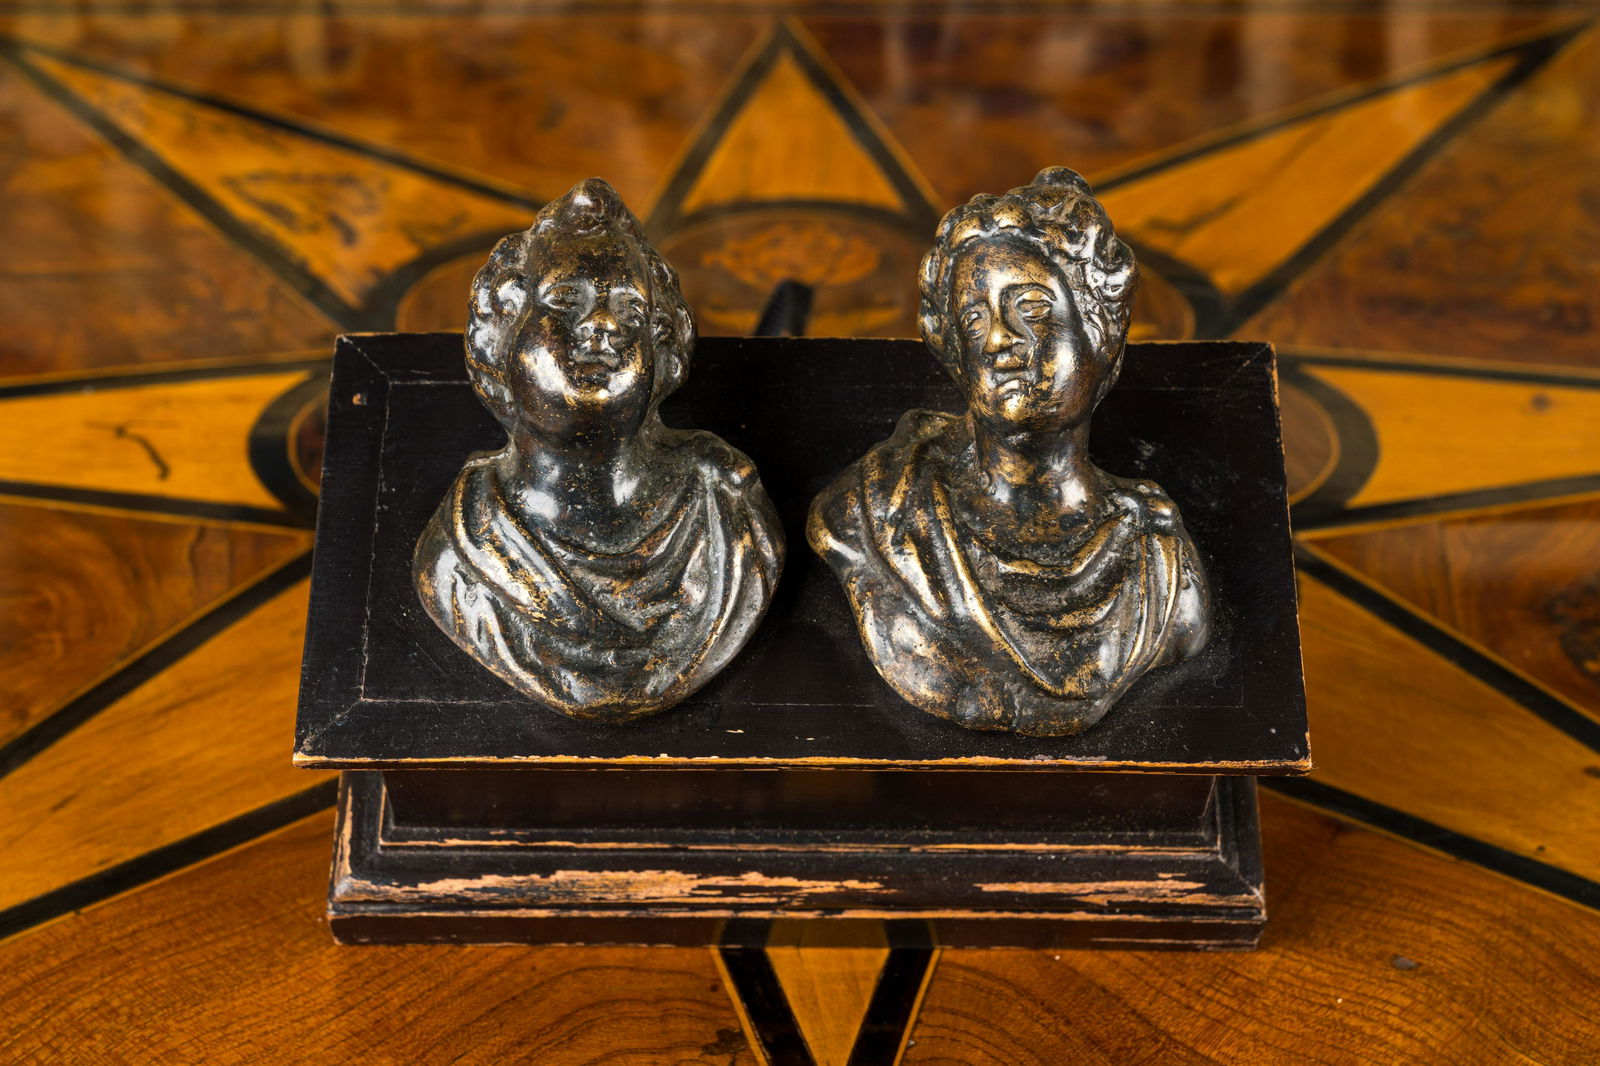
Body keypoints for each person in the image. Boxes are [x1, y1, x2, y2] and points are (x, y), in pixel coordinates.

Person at [808, 167, 1209, 736]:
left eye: (1033, 308)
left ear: (1099, 334)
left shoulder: (1158, 565)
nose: (1000, 340)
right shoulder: (879, 511)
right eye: (975, 320)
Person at [414, 178, 783, 722]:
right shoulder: (460, 554)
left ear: (662, 351)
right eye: (565, 301)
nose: (603, 326)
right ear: (501, 336)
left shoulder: (728, 515)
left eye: (631, 313)